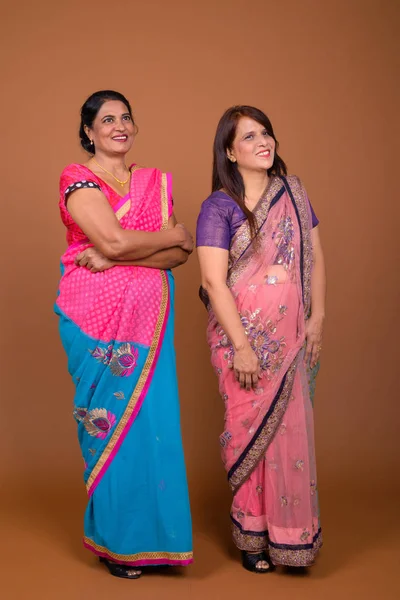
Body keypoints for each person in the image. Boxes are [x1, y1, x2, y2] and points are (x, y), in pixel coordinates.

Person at [54, 90, 193, 579]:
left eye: (126, 118)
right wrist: (165, 236)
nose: (119, 126)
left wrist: (115, 256)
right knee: (110, 425)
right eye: (107, 119)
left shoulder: (153, 182)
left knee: (151, 428)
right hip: (95, 322)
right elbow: (114, 237)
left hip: (150, 320)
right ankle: (118, 543)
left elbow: (181, 255)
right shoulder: (78, 178)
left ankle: (157, 542)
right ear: (89, 131)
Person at [196, 105, 326, 573]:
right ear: (230, 151)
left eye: (265, 132)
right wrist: (244, 347)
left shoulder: (293, 194)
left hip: (291, 336)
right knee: (249, 430)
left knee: (289, 434)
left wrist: (318, 317)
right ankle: (253, 534)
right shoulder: (219, 207)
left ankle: (291, 534)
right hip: (241, 342)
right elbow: (213, 282)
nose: (262, 142)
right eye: (248, 137)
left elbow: (314, 256)